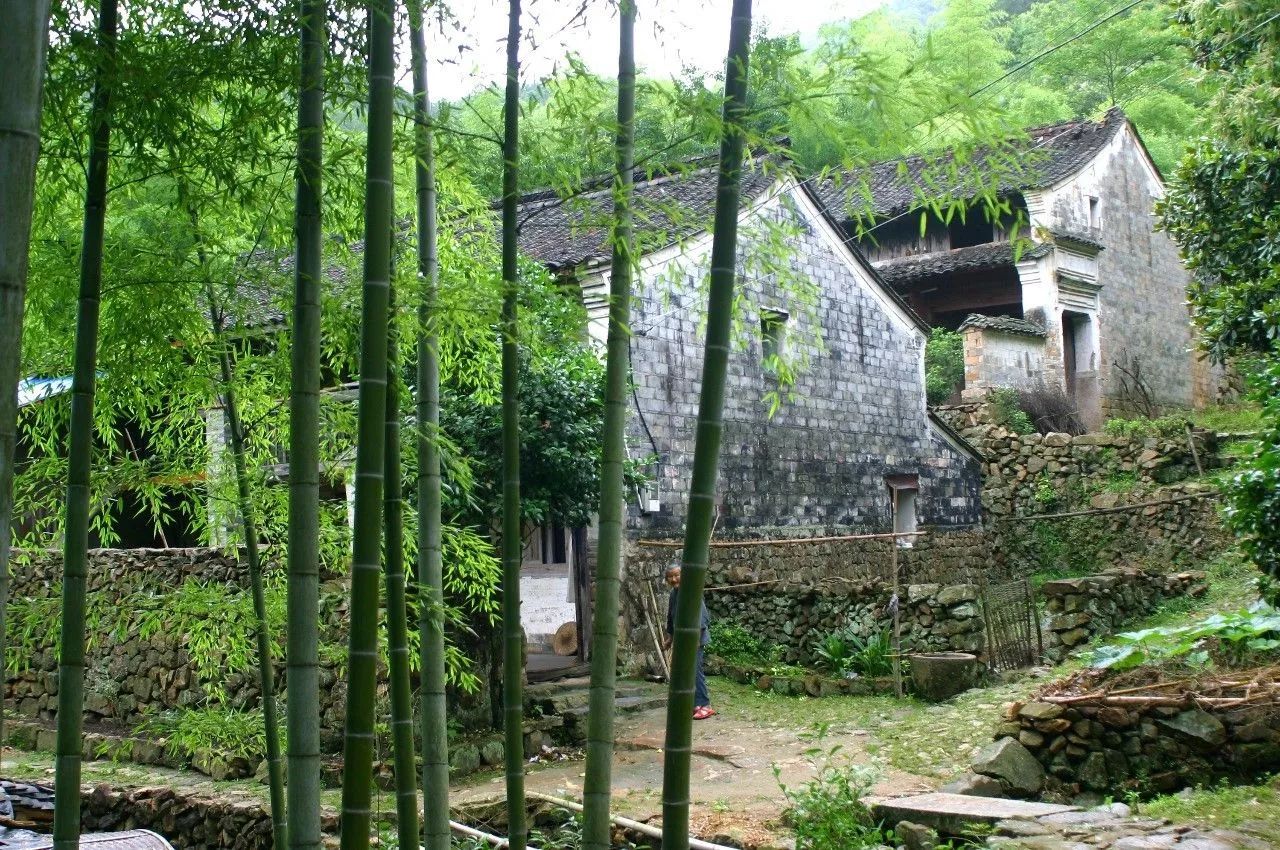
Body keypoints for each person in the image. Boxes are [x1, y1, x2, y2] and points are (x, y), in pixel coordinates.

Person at [663, 564, 714, 719]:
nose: (674, 579)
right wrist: (670, 638)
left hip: (695, 639)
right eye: (670, 577)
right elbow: (671, 618)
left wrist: (696, 640)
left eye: (677, 575)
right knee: (685, 672)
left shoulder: (691, 590)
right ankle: (694, 704)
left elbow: (702, 617)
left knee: (695, 671)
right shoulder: (674, 594)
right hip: (681, 640)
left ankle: (705, 705)